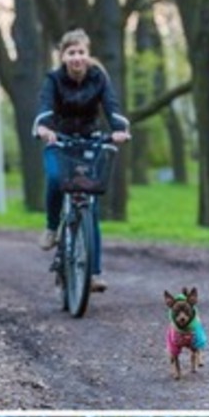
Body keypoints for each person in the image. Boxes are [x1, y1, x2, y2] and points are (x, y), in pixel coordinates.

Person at [33, 28, 130, 293]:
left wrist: (119, 130)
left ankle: (94, 273)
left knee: (91, 205)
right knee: (55, 178)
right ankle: (53, 228)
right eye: (71, 52)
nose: (77, 58)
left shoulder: (99, 78)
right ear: (63, 56)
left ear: (88, 55)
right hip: (59, 140)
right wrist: (44, 129)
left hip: (90, 141)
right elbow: (44, 107)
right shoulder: (53, 79)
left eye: (81, 52)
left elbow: (112, 107)